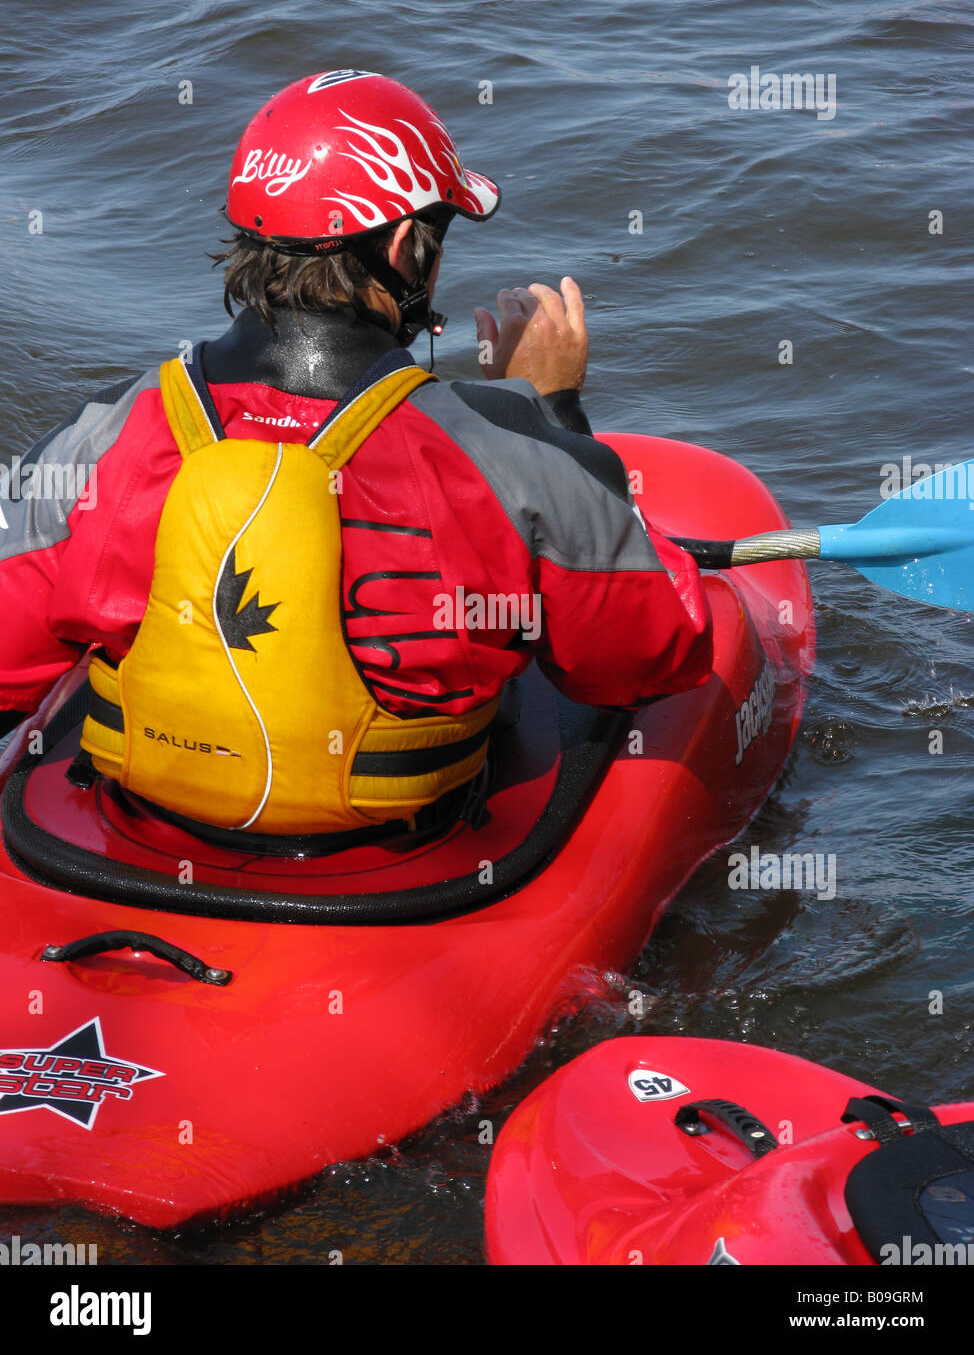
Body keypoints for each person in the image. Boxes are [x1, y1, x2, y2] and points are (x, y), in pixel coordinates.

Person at [0, 69, 712, 838]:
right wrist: (554, 417)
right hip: (395, 861)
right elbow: (656, 654)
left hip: (141, 835)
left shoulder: (99, 437)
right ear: (407, 248)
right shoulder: (507, 454)